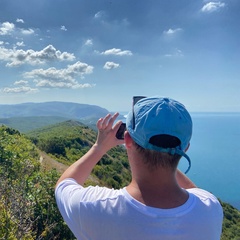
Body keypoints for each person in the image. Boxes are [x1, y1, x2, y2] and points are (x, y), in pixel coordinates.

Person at [55, 96, 223, 240]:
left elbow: (63, 185)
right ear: (185, 148)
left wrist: (99, 147)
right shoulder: (210, 210)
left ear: (127, 140)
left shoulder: (93, 208)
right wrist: (165, 155)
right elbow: (196, 194)